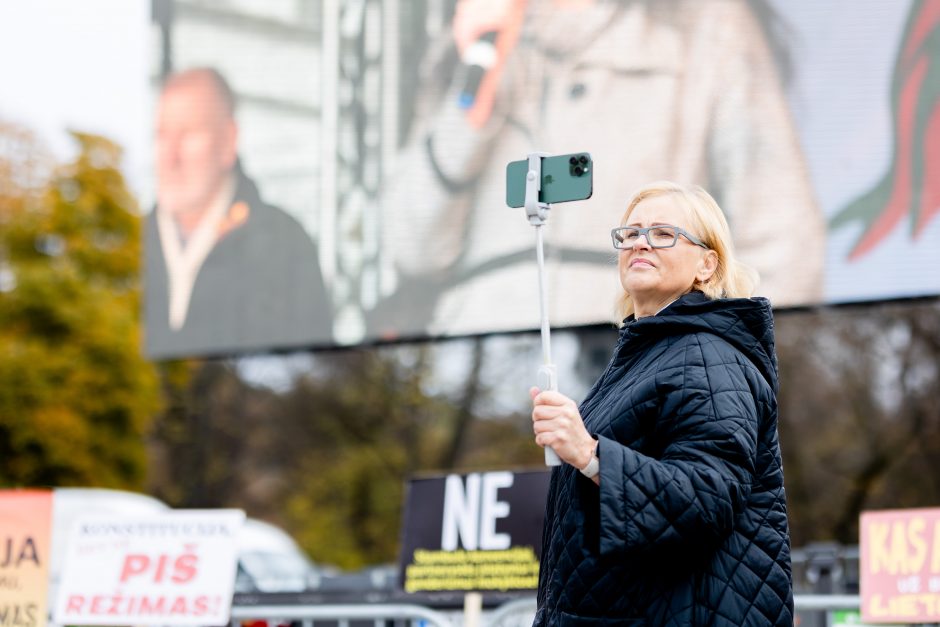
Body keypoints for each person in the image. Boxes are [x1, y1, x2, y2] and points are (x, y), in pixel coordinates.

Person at [373, 0, 824, 340]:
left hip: (641, 364)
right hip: (484, 374)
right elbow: (413, 246)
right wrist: (475, 90)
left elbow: (786, 245)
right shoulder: (474, 38)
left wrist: (705, 365)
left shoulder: (707, 26)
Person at [529, 181, 792, 625]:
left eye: (663, 234)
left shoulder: (709, 357)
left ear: (707, 265)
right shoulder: (650, 355)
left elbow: (707, 497)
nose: (640, 244)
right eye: (630, 234)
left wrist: (591, 455)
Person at [145, 68, 332, 357]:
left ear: (227, 140)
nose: (171, 156)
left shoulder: (284, 246)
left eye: (187, 135)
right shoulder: (131, 241)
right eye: (161, 135)